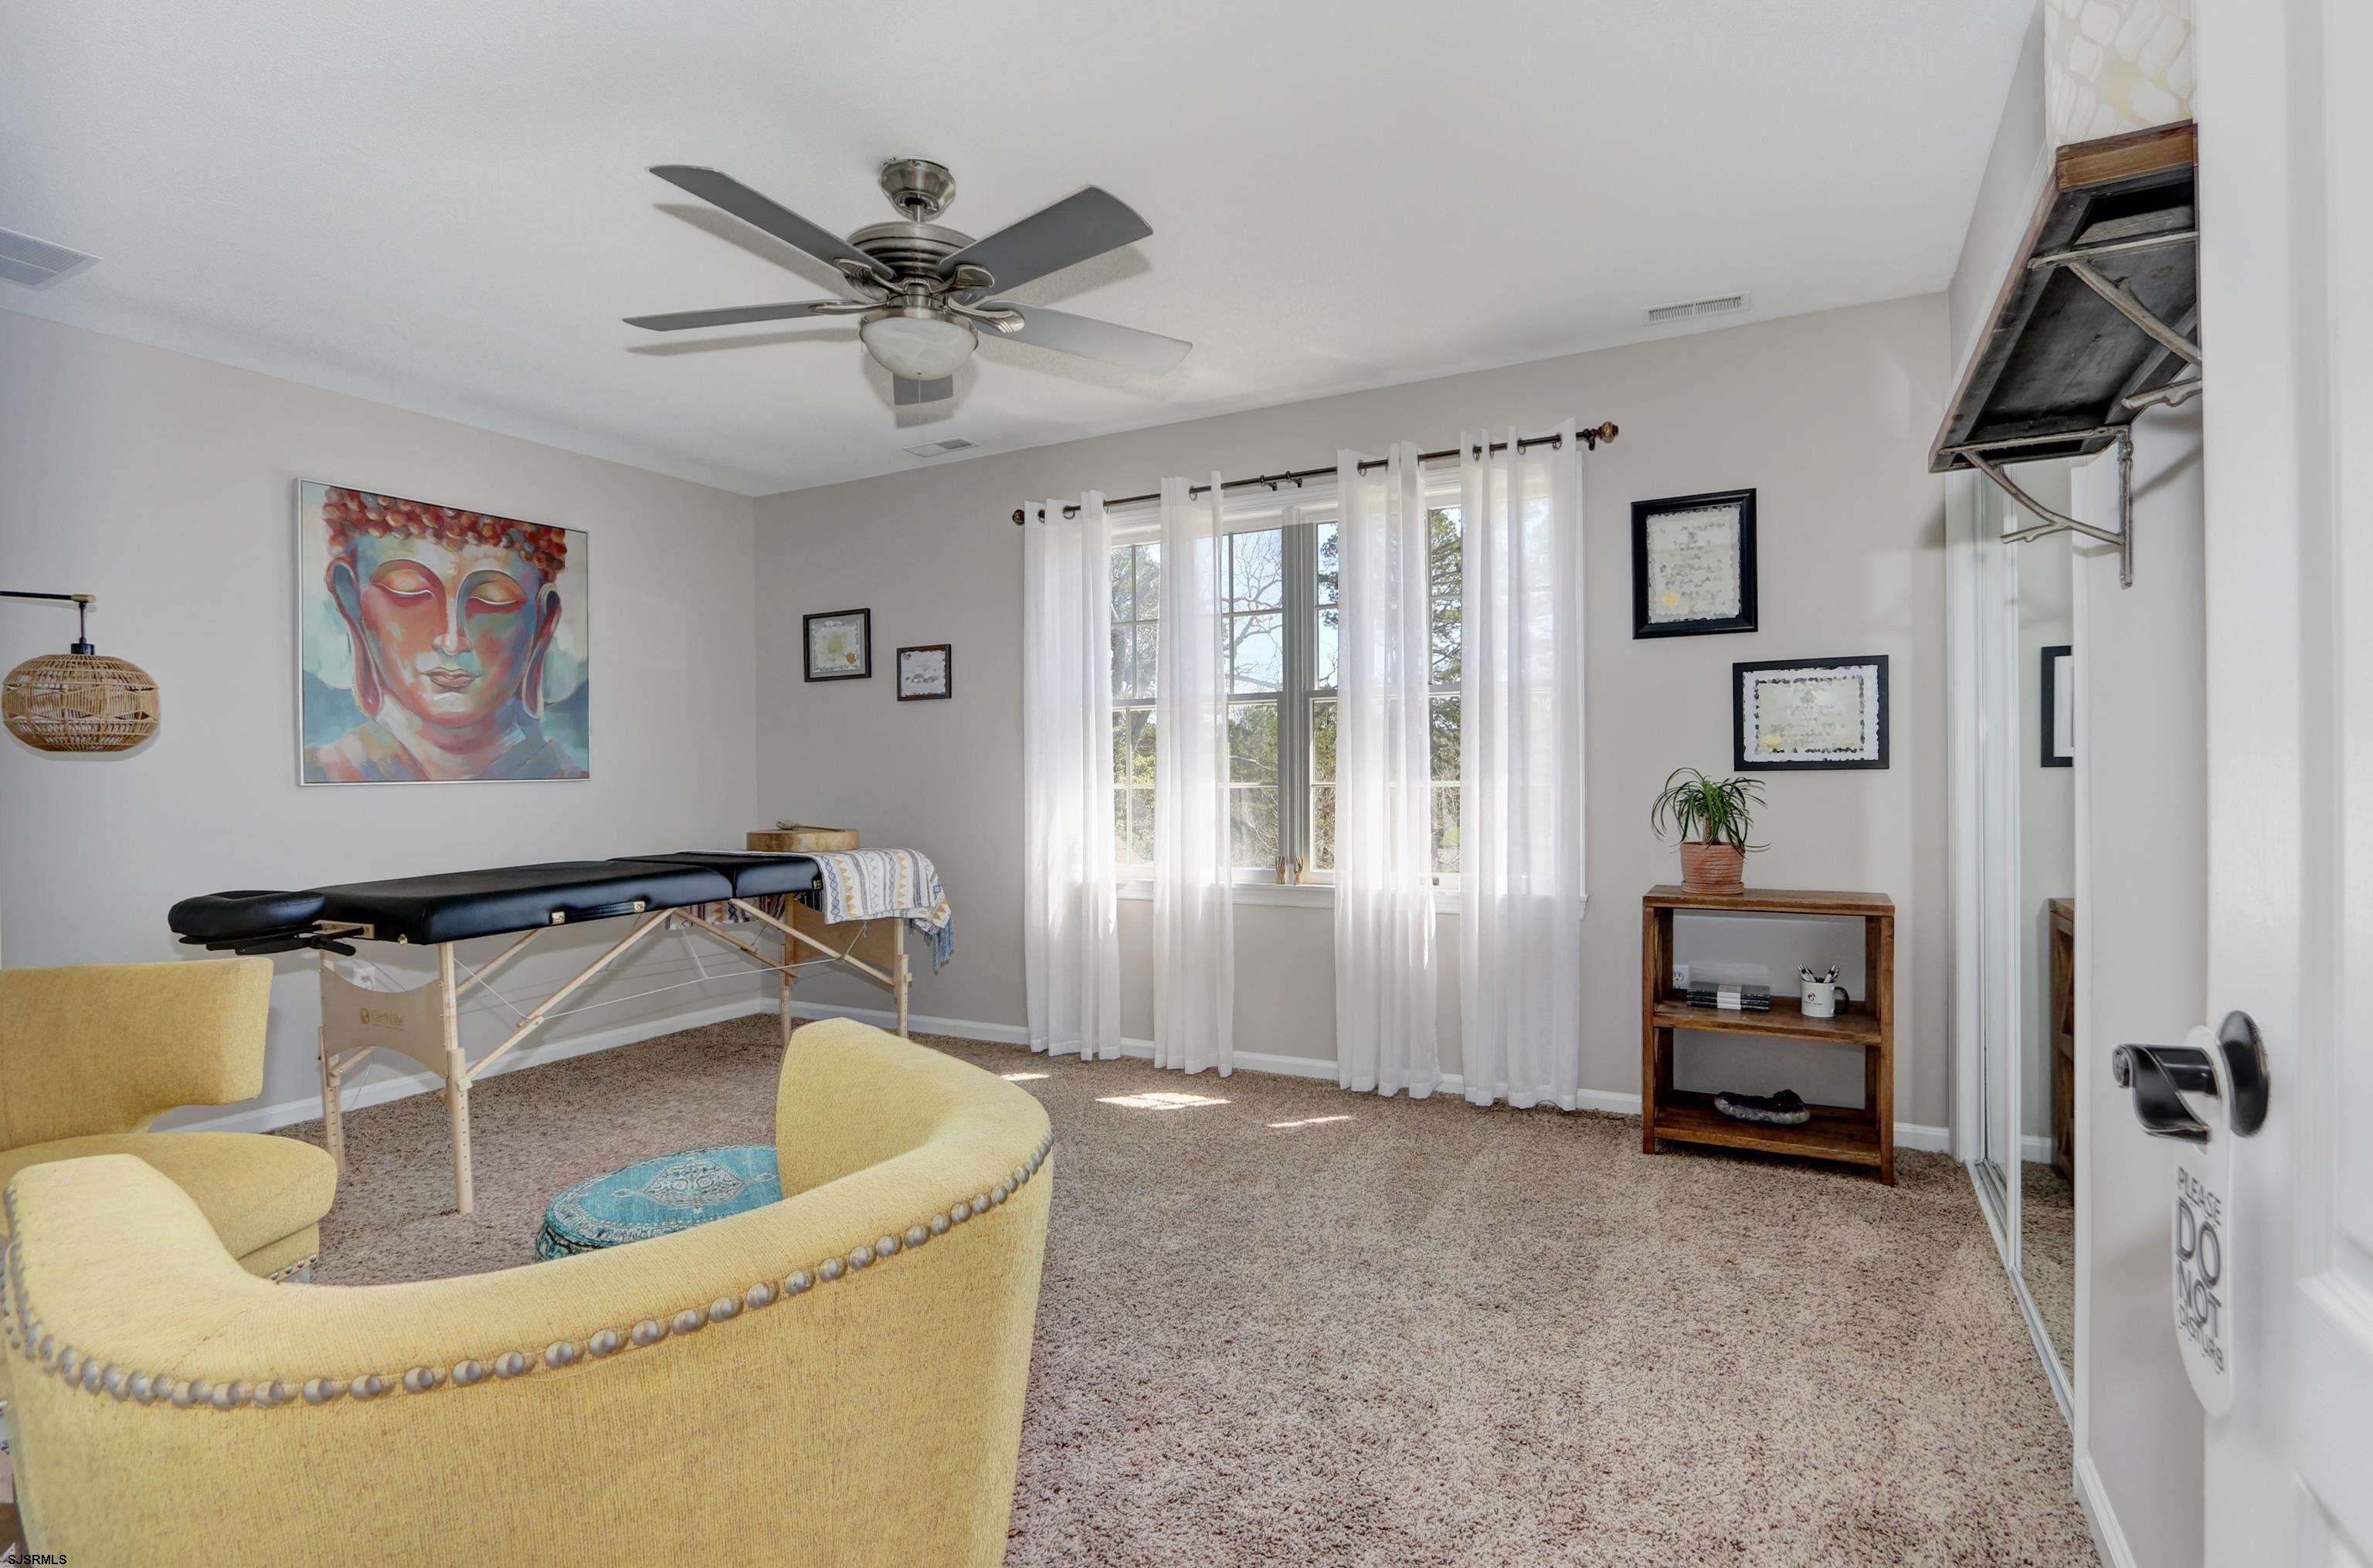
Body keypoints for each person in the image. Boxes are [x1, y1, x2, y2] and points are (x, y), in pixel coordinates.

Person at [305, 488, 586, 782]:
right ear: (352, 600)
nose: (452, 641)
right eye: (408, 592)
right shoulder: (322, 774)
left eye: (493, 600)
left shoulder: (568, 781)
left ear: (542, 621)